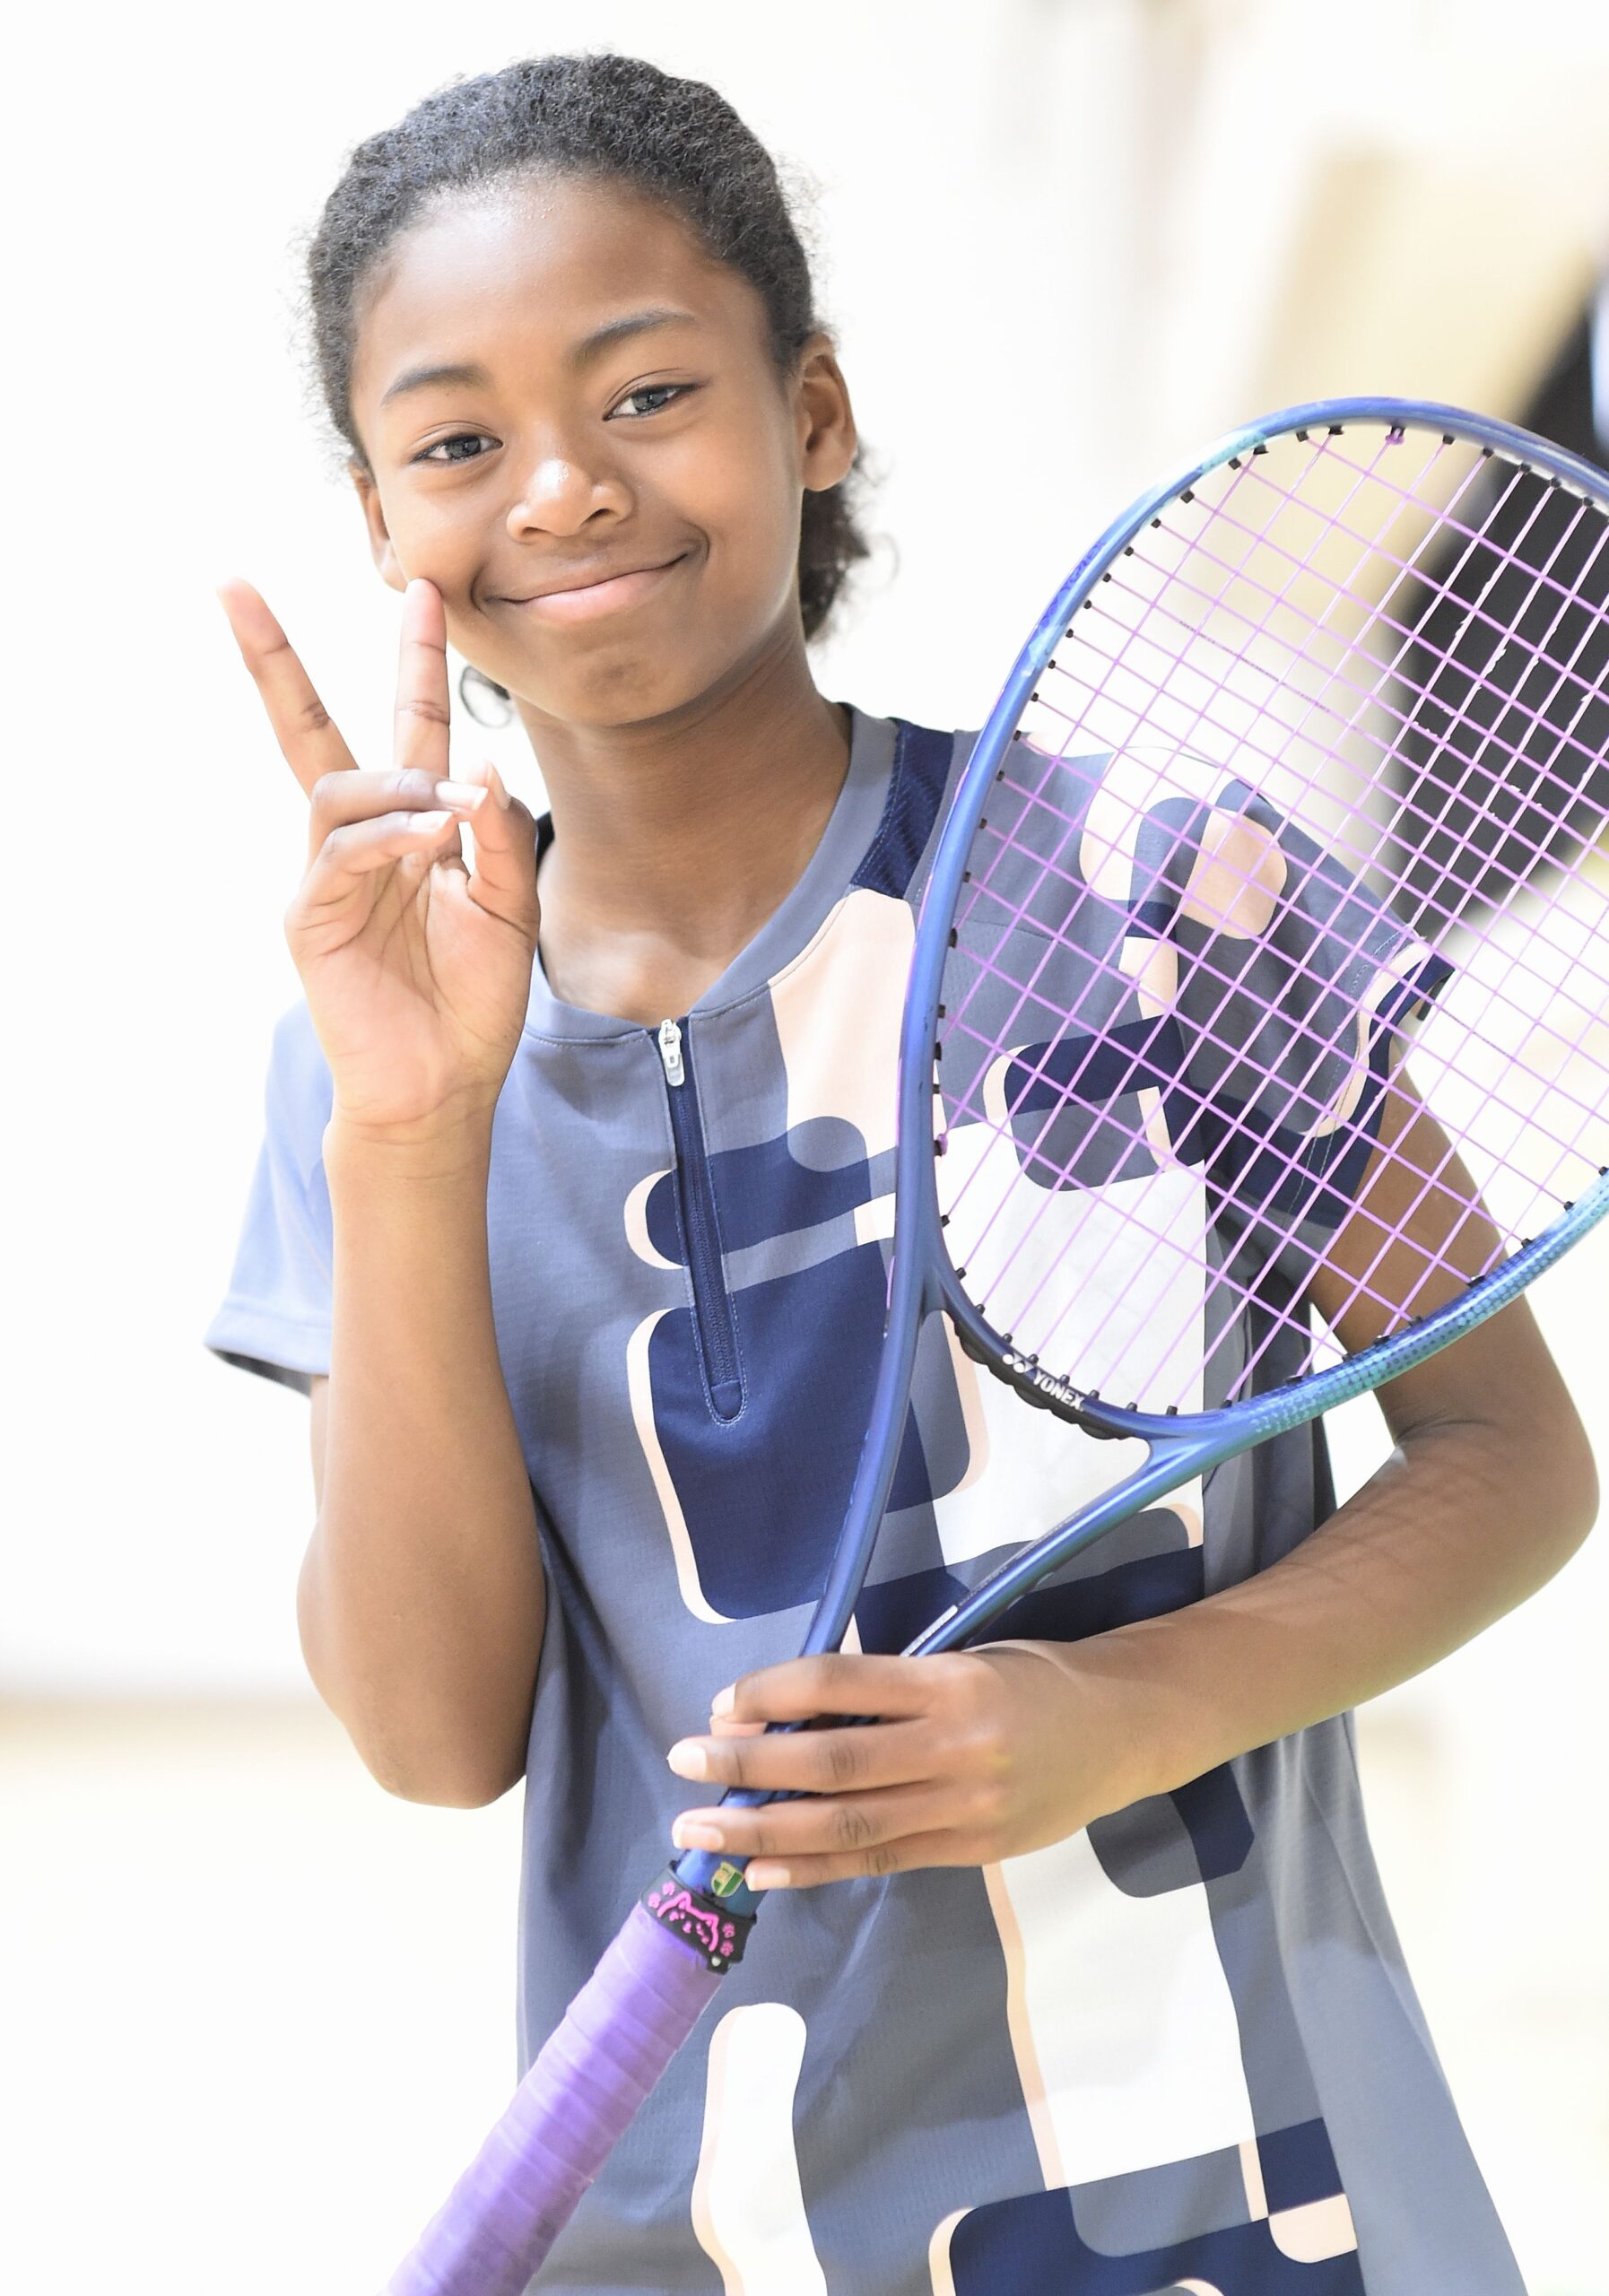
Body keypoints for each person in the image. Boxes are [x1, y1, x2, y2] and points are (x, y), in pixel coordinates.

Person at [205, 52, 1594, 2296]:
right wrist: (409, 1125)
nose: (559, 486)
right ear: (384, 521)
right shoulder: (361, 1062)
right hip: (675, 2232)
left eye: (646, 390)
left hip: (1252, 2197)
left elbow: (1513, 1457)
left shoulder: (1162, 889)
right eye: (457, 439)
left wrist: (1114, 1714)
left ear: (813, 411)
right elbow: (432, 1727)